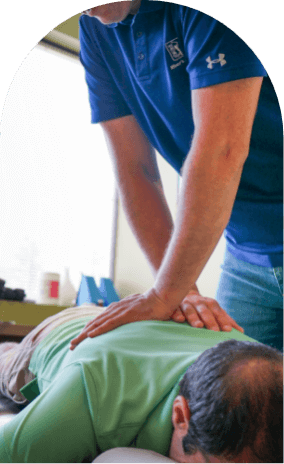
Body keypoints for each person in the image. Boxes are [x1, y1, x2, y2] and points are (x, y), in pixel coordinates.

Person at [68, 0, 283, 353]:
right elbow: (136, 171)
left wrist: (164, 294)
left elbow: (223, 150)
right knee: (224, 400)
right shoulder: (95, 29)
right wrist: (181, 293)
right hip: (245, 256)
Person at [0, 304, 282, 463]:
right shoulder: (91, 396)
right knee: (7, 363)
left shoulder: (270, 375)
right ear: (180, 416)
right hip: (72, 333)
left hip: (154, 326)